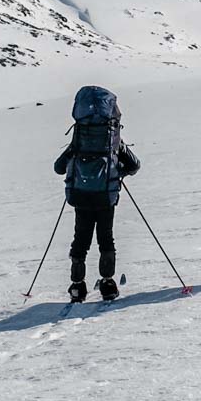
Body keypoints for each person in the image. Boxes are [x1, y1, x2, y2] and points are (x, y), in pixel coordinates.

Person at [54, 85, 141, 302]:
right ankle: (108, 285)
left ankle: (77, 286)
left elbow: (58, 167)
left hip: (81, 195)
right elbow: (134, 165)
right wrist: (116, 173)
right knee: (106, 238)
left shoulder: (79, 141)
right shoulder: (113, 142)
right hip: (105, 196)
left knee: (80, 239)